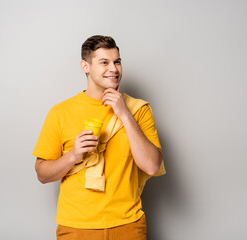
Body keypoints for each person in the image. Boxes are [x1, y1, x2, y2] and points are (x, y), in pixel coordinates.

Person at [32, 35, 165, 240]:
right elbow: (42, 174)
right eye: (104, 62)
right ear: (85, 66)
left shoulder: (139, 110)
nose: (113, 68)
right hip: (76, 227)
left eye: (117, 61)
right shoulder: (60, 113)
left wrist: (124, 114)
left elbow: (151, 166)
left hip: (128, 224)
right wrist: (73, 156)